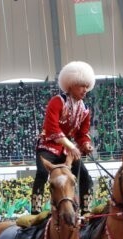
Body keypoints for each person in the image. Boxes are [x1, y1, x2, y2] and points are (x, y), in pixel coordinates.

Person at [31, 61, 95, 215]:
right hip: (48, 146)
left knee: (85, 176)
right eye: (81, 86)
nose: (85, 90)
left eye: (87, 87)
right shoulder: (57, 101)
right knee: (41, 173)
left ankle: (85, 211)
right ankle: (35, 212)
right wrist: (71, 146)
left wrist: (86, 145)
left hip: (66, 151)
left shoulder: (85, 110)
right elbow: (52, 129)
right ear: (71, 85)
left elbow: (82, 134)